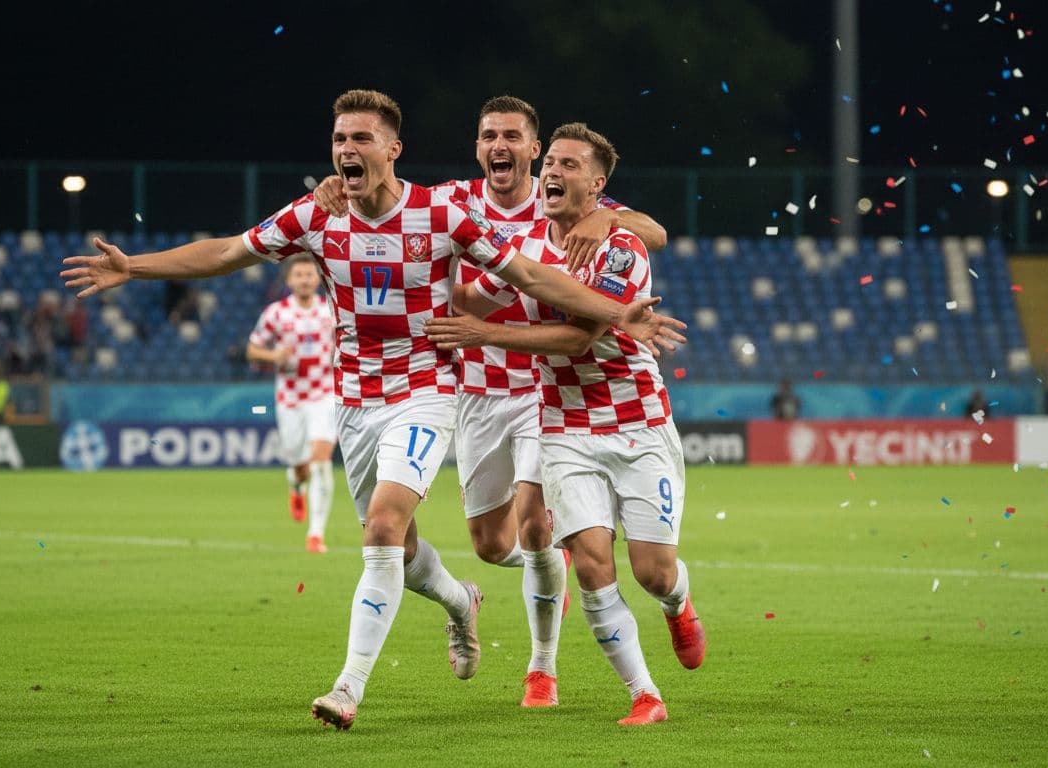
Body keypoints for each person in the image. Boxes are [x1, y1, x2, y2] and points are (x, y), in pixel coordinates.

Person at [61, 90, 681, 730]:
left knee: (396, 527)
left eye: (361, 139)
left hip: (438, 389)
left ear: (394, 149)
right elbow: (226, 251)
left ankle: (354, 687)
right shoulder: (319, 215)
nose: (348, 151)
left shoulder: (443, 215)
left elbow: (535, 273)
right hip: (357, 400)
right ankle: (458, 599)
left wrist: (616, 308)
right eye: (339, 142)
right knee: (421, 545)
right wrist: (132, 267)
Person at [314, 95, 670, 707]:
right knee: (489, 542)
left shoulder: (563, 196)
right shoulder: (455, 203)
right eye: (488, 136)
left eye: (512, 136)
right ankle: (489, 590)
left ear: (534, 149)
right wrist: (334, 187)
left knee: (535, 527)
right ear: (477, 148)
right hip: (477, 389)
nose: (498, 146)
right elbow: (388, 200)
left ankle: (542, 668)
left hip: (544, 388)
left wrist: (608, 220)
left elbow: (655, 231)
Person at [426, 123, 702, 726]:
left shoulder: (622, 245)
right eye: (550, 161)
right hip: (563, 427)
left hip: (634, 421)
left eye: (569, 165)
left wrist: (485, 333)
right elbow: (476, 298)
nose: (552, 171)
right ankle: (645, 695)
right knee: (592, 562)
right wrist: (432, 270)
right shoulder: (524, 246)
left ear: (598, 185)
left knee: (652, 573)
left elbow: (582, 335)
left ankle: (678, 603)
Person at [246, 254, 337, 552]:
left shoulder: (331, 311)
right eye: (299, 275)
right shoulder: (276, 313)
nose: (305, 280)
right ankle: (296, 486)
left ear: (318, 279)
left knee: (321, 459)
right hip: (290, 398)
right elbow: (252, 350)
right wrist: (274, 357)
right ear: (289, 280)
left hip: (325, 394)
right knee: (301, 467)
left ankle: (316, 534)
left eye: (310, 275)